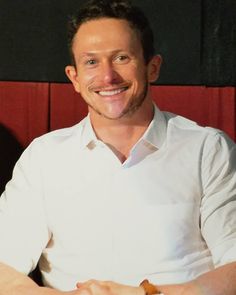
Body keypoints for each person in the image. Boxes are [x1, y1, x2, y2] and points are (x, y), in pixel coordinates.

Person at [0, 0, 236, 294]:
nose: (107, 76)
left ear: (153, 68)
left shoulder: (207, 149)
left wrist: (146, 294)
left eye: (122, 58)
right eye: (91, 62)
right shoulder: (44, 157)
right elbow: (3, 267)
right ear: (74, 78)